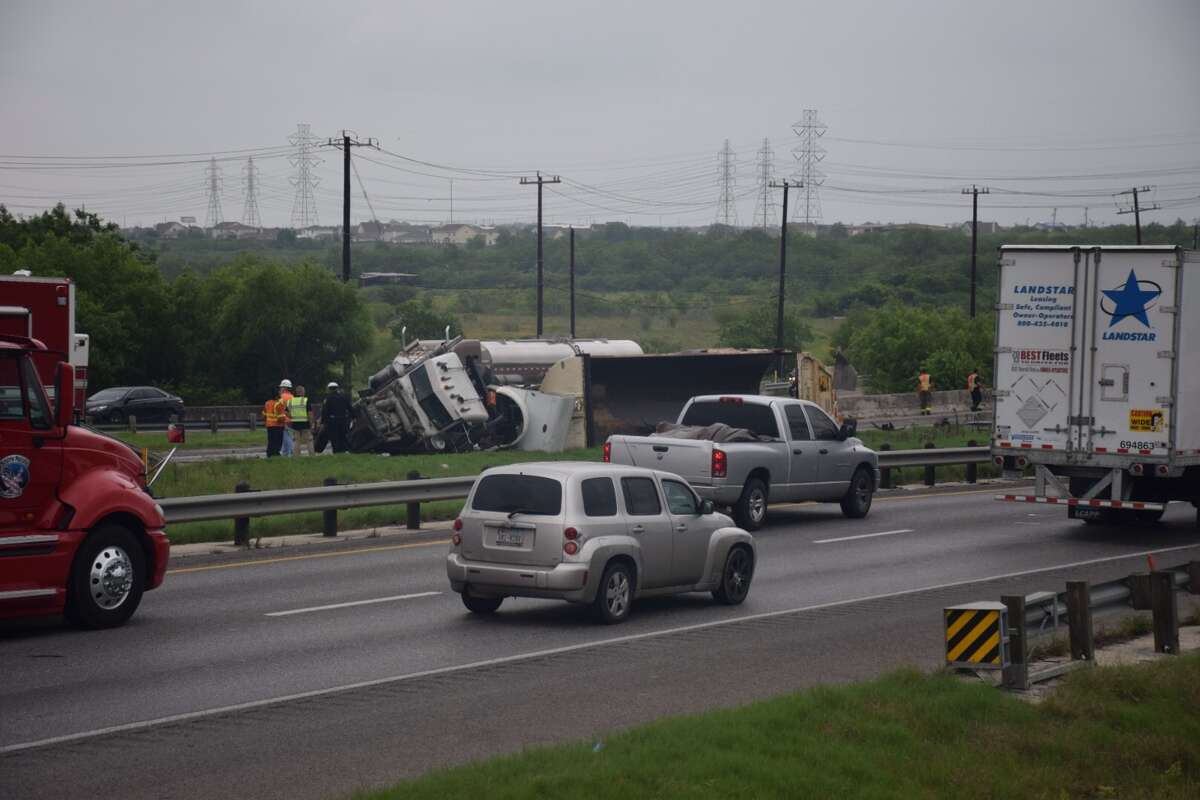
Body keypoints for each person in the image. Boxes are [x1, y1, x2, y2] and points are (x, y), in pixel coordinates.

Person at [320, 381, 352, 454]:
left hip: (333, 421)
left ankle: (336, 452)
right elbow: (350, 408)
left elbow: (325, 411)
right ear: (337, 389)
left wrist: (323, 422)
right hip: (343, 420)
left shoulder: (328, 399)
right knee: (342, 436)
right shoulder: (343, 397)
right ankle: (343, 451)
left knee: (334, 438)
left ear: (329, 389)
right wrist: (353, 417)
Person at [262, 386, 289, 457]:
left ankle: (269, 454)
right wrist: (285, 422)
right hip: (278, 426)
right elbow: (281, 417)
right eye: (280, 392)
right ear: (277, 394)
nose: (281, 393)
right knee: (278, 441)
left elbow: (264, 414)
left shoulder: (267, 403)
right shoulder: (278, 404)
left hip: (269, 425)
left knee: (271, 441)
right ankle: (276, 454)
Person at [288, 385, 312, 455]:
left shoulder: (291, 401)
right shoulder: (305, 400)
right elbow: (310, 413)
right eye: (304, 391)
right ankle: (312, 455)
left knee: (296, 441)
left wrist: (291, 416)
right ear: (302, 392)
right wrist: (311, 424)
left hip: (295, 423)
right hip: (305, 423)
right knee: (309, 440)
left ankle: (296, 456)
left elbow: (286, 412)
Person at [278, 379, 295, 456]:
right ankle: (290, 452)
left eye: (281, 387)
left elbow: (279, 409)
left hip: (284, 420)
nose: (280, 389)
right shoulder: (292, 397)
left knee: (286, 439)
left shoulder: (281, 397)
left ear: (285, 388)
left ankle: (287, 454)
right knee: (290, 438)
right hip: (291, 420)